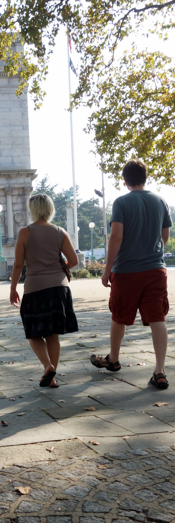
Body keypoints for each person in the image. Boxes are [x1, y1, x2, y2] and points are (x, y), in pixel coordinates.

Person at [91, 158, 172, 389]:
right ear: (145, 178)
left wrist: (107, 269)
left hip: (126, 270)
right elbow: (164, 236)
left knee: (119, 316)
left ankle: (113, 359)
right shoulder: (161, 201)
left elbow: (116, 237)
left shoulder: (121, 203)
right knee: (158, 318)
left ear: (125, 181)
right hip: (155, 269)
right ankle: (160, 371)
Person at [10, 193, 79, 387]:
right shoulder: (60, 232)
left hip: (35, 288)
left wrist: (13, 288)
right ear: (50, 209)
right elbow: (74, 261)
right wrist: (62, 268)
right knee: (53, 335)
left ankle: (48, 367)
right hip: (59, 288)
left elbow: (18, 265)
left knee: (33, 333)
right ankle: (53, 378)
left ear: (32, 210)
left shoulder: (25, 232)